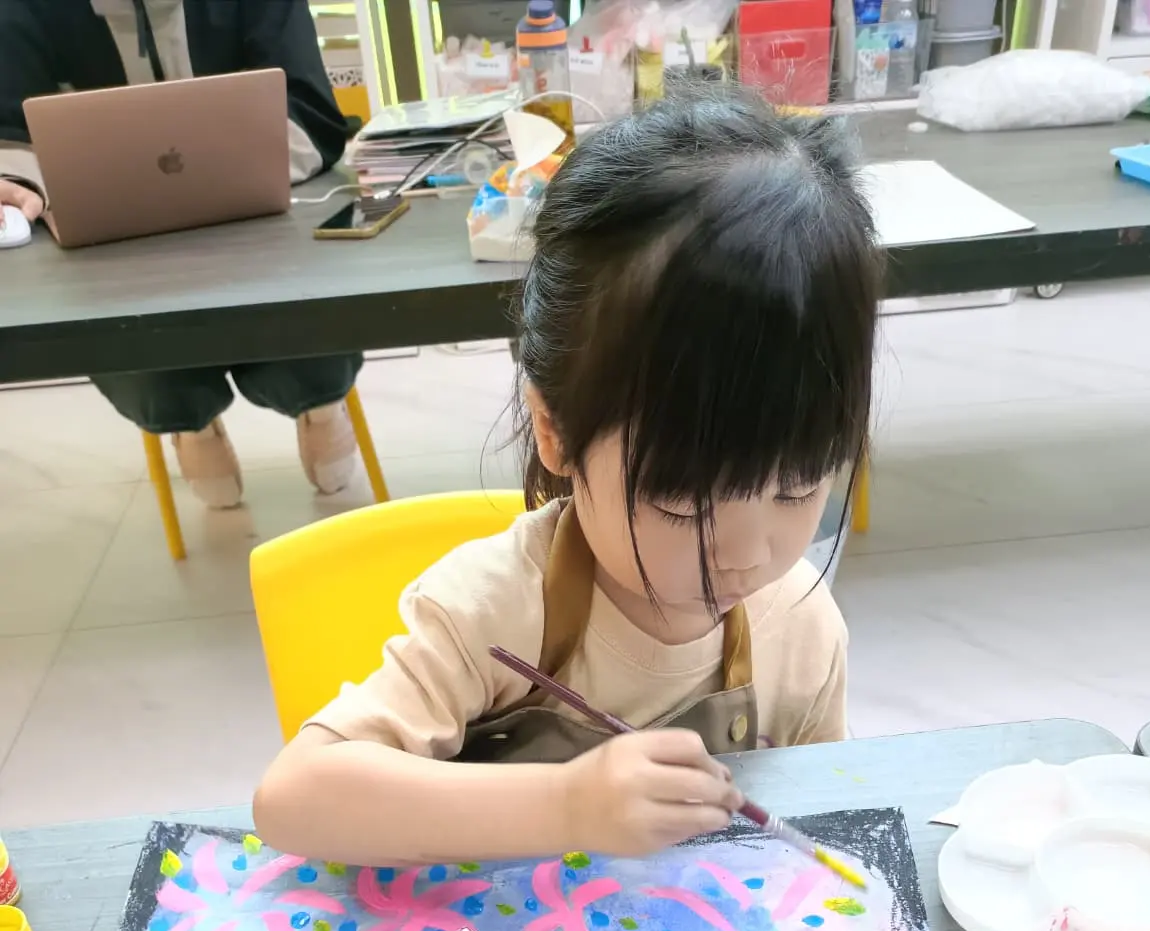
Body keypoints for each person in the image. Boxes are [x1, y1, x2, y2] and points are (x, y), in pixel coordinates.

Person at [254, 89, 878, 867]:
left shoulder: (802, 632)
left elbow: (822, 829)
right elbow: (295, 800)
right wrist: (566, 805)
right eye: (684, 505)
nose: (747, 552)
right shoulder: (495, 611)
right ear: (556, 429)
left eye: (797, 487)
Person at [0, 0, 364, 507]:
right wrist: (19, 184)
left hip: (259, 215)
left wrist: (226, 170)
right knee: (140, 353)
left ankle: (321, 403)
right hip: (112, 242)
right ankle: (190, 425)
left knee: (304, 328)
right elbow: (8, 129)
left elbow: (308, 107)